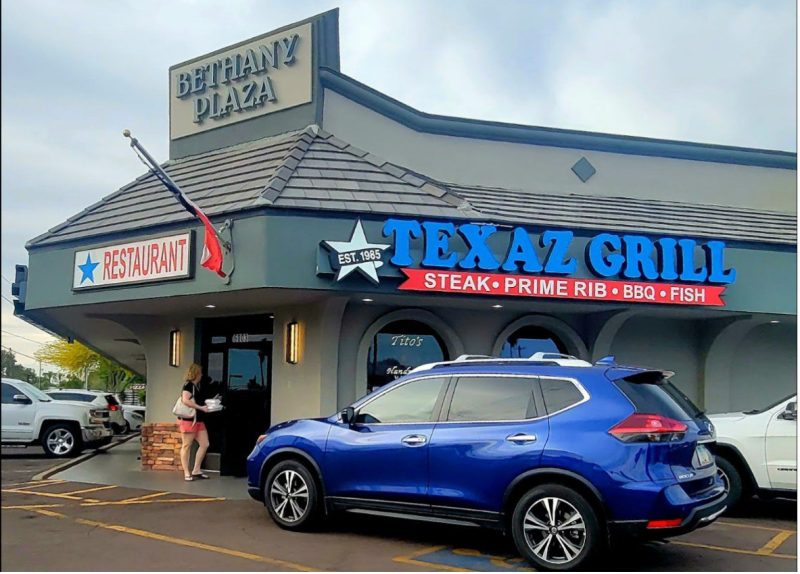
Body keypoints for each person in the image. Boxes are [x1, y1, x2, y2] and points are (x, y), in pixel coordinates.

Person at [178, 363, 210, 481]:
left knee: (205, 444)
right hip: (189, 421)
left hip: (199, 420)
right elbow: (185, 400)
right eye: (200, 373)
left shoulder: (197, 386)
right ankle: (187, 472)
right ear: (196, 373)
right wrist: (200, 408)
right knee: (186, 446)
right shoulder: (188, 386)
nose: (201, 375)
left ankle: (196, 469)